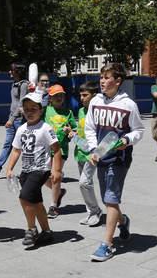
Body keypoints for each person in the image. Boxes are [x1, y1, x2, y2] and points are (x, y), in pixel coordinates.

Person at [85, 63, 144, 262]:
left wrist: (126, 140)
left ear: (118, 81)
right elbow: (90, 128)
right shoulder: (95, 101)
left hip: (119, 159)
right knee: (108, 199)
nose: (102, 81)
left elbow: (139, 130)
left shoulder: (128, 105)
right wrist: (94, 149)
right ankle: (123, 220)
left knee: (111, 199)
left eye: (107, 77)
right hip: (100, 157)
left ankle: (107, 245)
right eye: (101, 77)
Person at [5, 92, 61, 247]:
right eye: (26, 109)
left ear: (40, 110)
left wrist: (56, 170)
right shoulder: (21, 128)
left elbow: (56, 149)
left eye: (33, 109)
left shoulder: (45, 128)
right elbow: (16, 150)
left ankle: (31, 229)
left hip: (41, 169)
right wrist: (9, 168)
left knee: (24, 197)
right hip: (26, 170)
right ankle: (47, 232)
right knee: (36, 203)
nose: (29, 112)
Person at [0, 63, 28, 177]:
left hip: (19, 120)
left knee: (23, 146)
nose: (9, 72)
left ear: (17, 72)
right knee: (8, 144)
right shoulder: (14, 84)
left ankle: (30, 169)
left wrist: (12, 119)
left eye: (11, 70)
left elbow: (21, 104)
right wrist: (10, 118)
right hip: (13, 118)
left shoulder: (24, 85)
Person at [43, 84, 76, 218]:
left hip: (61, 150)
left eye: (61, 95)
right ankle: (59, 192)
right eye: (56, 95)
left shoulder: (68, 112)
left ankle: (53, 206)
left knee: (55, 177)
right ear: (50, 98)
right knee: (44, 177)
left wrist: (70, 132)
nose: (59, 98)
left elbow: (74, 129)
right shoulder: (45, 110)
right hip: (45, 149)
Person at [75, 81, 101, 227]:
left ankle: (95, 211)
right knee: (86, 184)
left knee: (84, 182)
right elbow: (81, 130)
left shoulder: (98, 112)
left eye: (85, 95)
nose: (82, 98)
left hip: (92, 154)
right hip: (79, 152)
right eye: (80, 95)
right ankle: (91, 212)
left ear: (94, 96)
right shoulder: (80, 111)